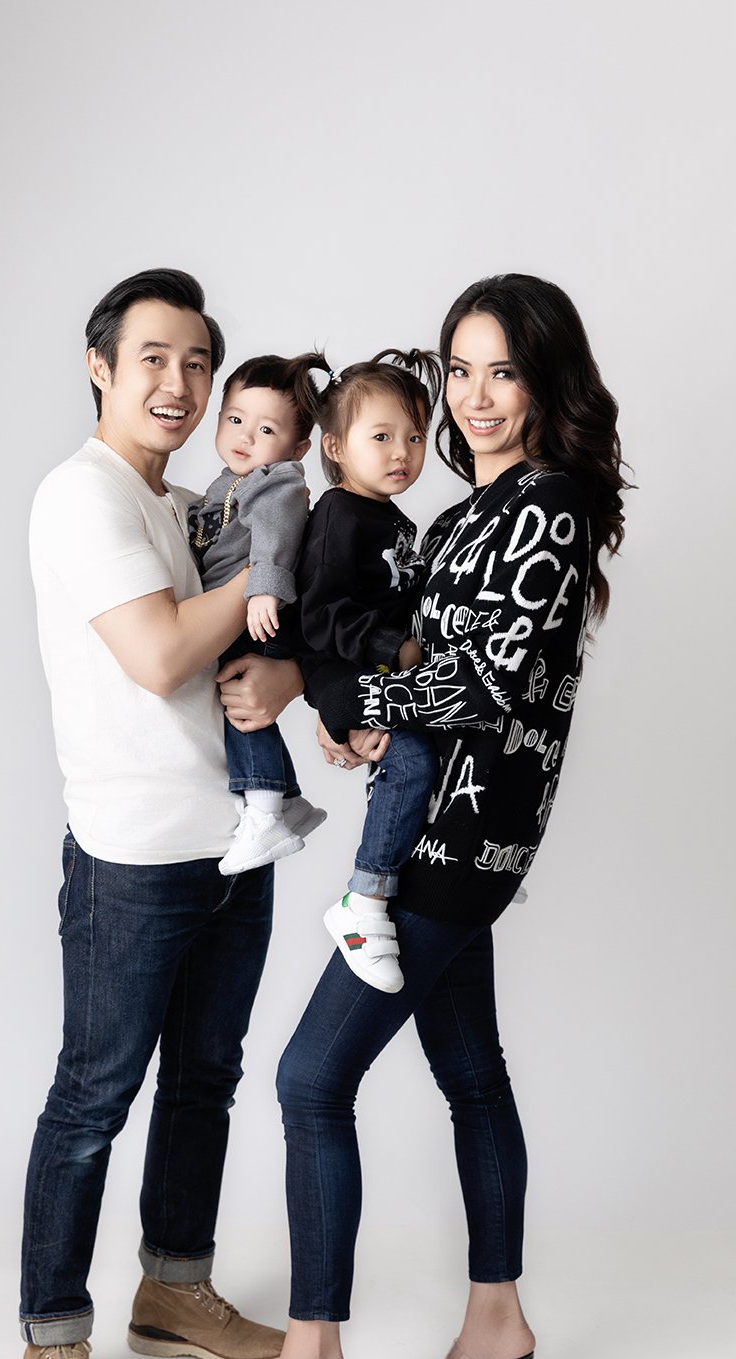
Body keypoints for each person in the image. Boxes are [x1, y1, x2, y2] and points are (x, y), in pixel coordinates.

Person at [208, 273, 628, 1359]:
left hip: (458, 838)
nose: (476, 395)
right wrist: (366, 717)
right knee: (471, 1072)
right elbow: (423, 673)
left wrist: (311, 689)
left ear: (547, 381)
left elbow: (485, 684)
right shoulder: (455, 517)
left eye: (503, 369)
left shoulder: (544, 504)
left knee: (306, 1082)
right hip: (449, 820)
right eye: (461, 369)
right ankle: (495, 1318)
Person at [20, 268, 302, 1359]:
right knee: (95, 1097)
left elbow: (250, 664)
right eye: (153, 358)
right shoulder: (80, 498)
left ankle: (172, 1289)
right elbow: (160, 655)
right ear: (101, 364)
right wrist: (271, 576)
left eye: (196, 363)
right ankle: (50, 1343)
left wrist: (284, 661)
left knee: (205, 1080)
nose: (178, 384)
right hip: (130, 854)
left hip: (231, 844)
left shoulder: (190, 504)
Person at [292, 350, 443, 993]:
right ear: (335, 445)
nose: (401, 452)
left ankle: (445, 865)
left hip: (381, 672)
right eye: (380, 437)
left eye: (413, 436)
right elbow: (320, 618)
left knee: (440, 744)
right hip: (340, 669)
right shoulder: (337, 515)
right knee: (409, 759)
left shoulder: (400, 521)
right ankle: (365, 898)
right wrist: (396, 651)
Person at [189, 352, 330, 876]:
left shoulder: (277, 480)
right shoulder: (228, 480)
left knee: (240, 707)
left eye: (265, 428)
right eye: (235, 419)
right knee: (238, 701)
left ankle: (267, 811)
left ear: (297, 448)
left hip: (255, 614)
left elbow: (275, 535)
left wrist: (264, 591)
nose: (245, 435)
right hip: (236, 609)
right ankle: (288, 799)